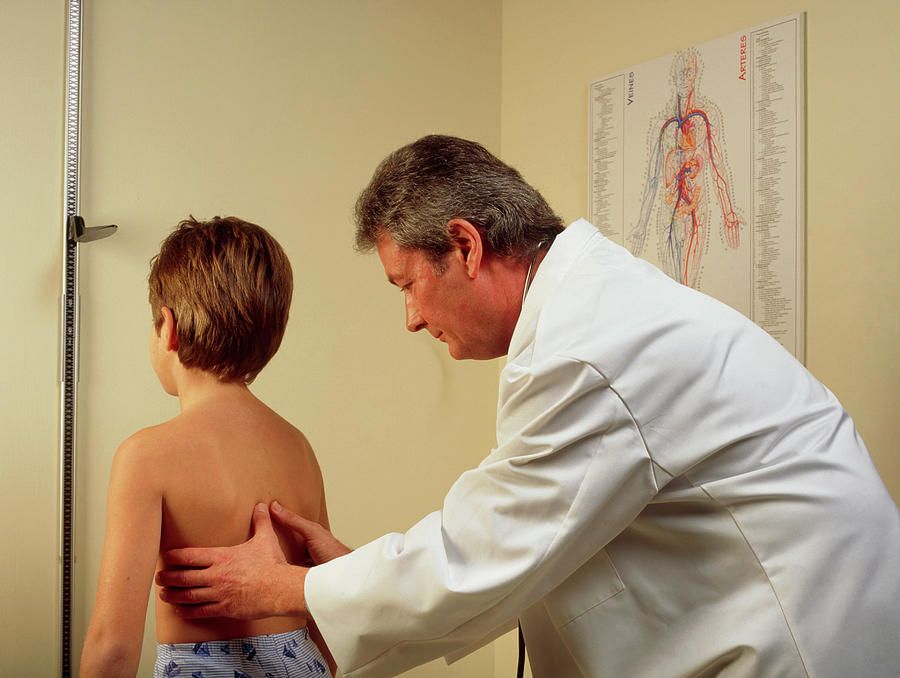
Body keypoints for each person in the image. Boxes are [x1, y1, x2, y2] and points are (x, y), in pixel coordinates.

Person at [157, 137, 900, 678]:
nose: (410, 319)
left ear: (466, 246)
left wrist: (293, 588)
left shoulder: (590, 346)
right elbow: (514, 538)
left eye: (405, 284)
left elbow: (489, 549)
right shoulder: (585, 319)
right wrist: (347, 579)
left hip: (805, 644)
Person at [80, 217, 335, 677]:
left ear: (168, 329)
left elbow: (113, 645)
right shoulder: (299, 447)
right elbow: (325, 614)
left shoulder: (147, 456)